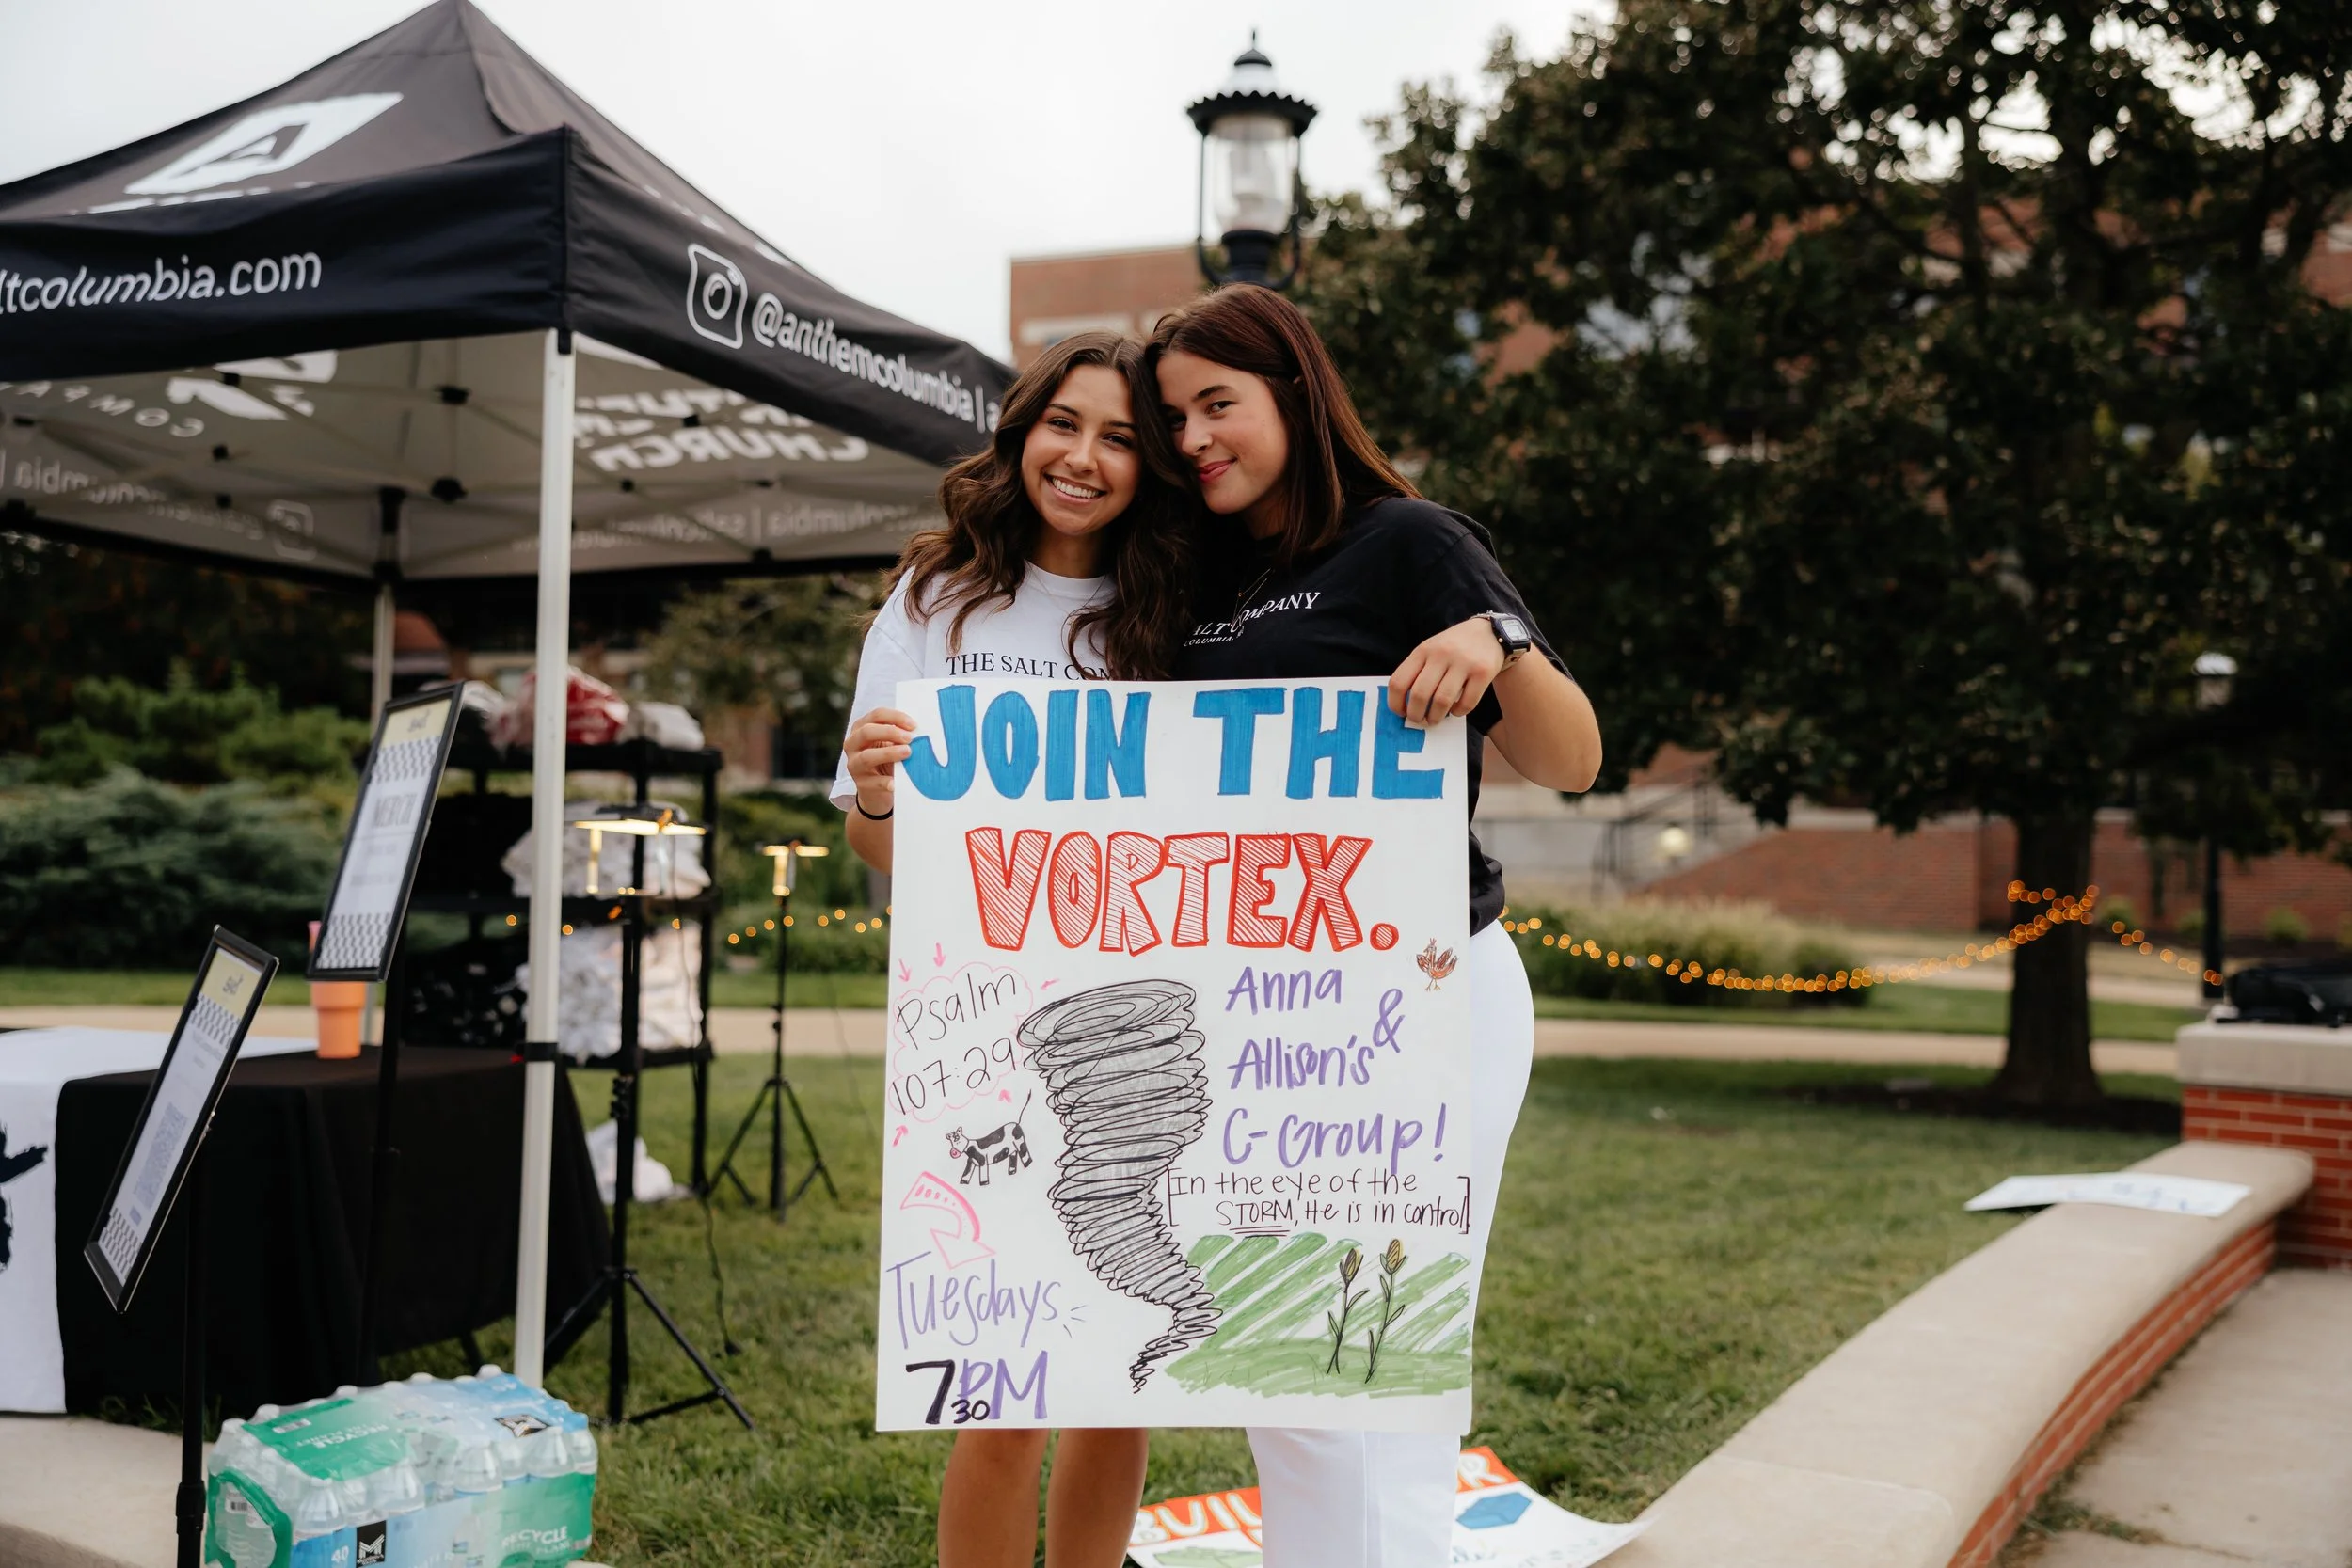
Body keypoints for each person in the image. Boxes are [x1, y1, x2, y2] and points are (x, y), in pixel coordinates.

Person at [1140, 284, 1603, 1568]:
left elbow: (1572, 757)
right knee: (1274, 1352)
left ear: (1294, 392)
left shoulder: (1409, 541)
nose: (1192, 440)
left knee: (1380, 1347)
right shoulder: (1195, 575)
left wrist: (1495, 638)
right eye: (1173, 417)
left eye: (1216, 405)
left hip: (1427, 994)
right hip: (1256, 1009)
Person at [833, 329, 1191, 1568]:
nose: (1085, 457)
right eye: (1064, 424)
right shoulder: (935, 598)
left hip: (1142, 1025)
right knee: (1006, 1379)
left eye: (1122, 437)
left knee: (1114, 1378)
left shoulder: (1178, 612)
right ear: (1022, 429)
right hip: (984, 1033)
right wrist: (880, 796)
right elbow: (881, 848)